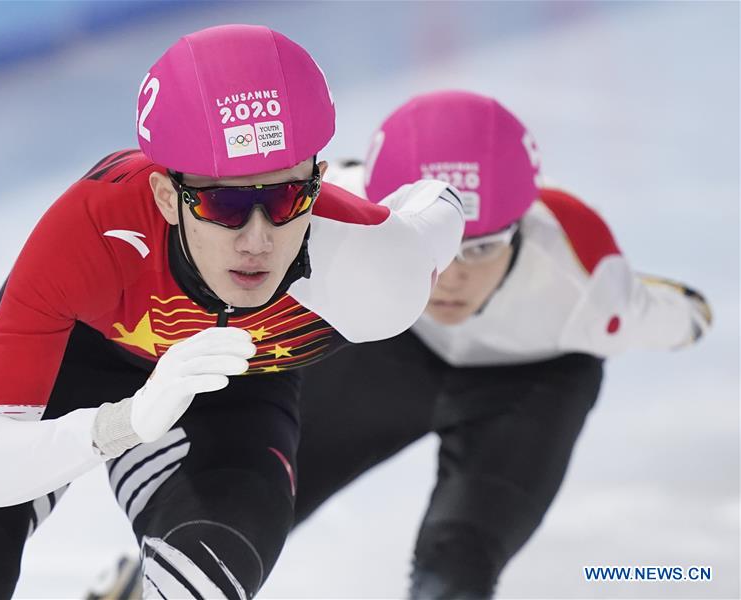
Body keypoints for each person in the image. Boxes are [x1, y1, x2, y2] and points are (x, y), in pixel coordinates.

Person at [0, 27, 465, 600]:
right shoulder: (92, 230)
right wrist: (124, 423)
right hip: (79, 359)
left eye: (287, 198)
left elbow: (442, 210)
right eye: (225, 203)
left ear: (315, 185)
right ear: (167, 196)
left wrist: (364, 188)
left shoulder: (373, 269)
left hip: (233, 388)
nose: (258, 240)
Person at [291, 90, 713, 598]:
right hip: (393, 347)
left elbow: (688, 314)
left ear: (521, 230)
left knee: (455, 569)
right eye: (436, 244)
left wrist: (686, 316)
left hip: (529, 381)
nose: (452, 277)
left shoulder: (591, 286)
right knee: (251, 500)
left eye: (482, 248)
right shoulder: (331, 213)